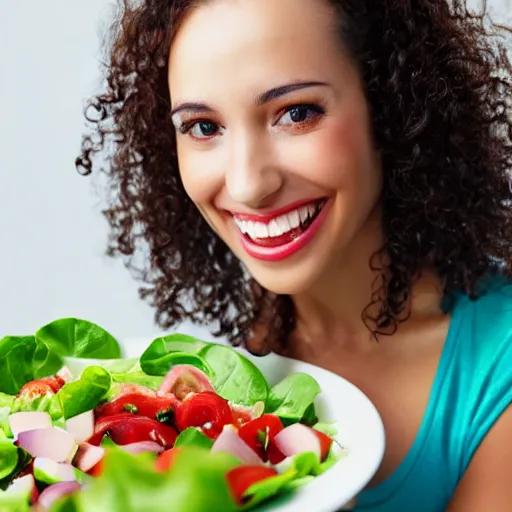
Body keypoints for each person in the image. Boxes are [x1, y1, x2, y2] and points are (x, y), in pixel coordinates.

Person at [76, 0, 512, 509]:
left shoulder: (496, 370)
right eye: (203, 127)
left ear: (393, 106)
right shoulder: (253, 348)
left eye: (297, 113)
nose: (247, 184)